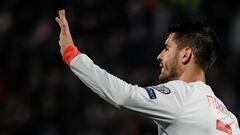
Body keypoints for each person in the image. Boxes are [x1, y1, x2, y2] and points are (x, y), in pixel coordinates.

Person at [55, 9, 240, 135]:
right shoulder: (230, 118)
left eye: (167, 49)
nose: (159, 56)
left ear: (186, 54)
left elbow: (125, 96)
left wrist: (72, 55)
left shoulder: (182, 95)